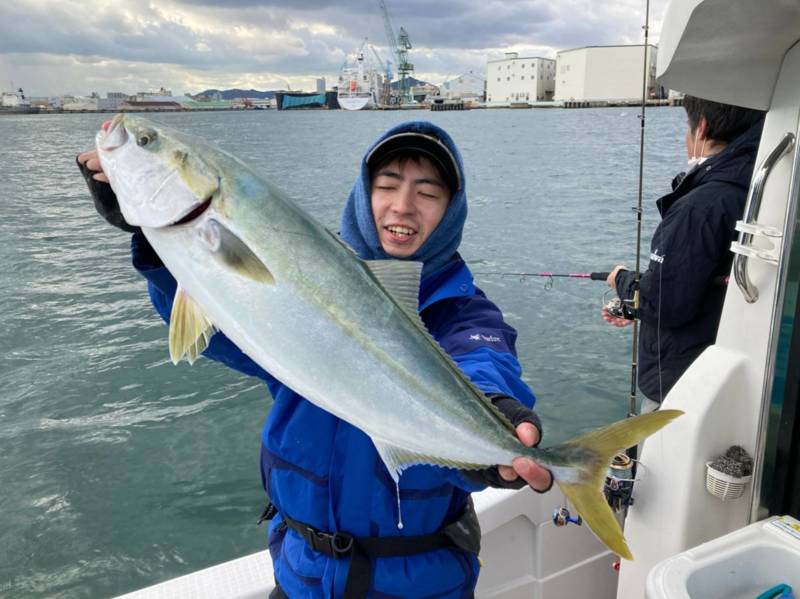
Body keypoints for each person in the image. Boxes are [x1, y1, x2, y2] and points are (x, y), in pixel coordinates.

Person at [77, 120, 552, 598]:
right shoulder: (305, 273)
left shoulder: (463, 311)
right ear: (364, 195)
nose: (403, 205)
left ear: (451, 210)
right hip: (301, 572)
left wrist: (495, 417)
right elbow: (224, 325)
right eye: (387, 186)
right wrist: (156, 249)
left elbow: (483, 361)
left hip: (421, 584)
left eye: (427, 193)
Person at [603, 96, 765, 412]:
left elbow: (664, 303)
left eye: (687, 128)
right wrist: (635, 305)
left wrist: (621, 280)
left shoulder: (699, 208)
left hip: (681, 386)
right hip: (725, 370)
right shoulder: (754, 188)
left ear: (701, 128)